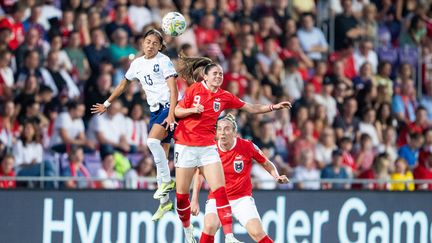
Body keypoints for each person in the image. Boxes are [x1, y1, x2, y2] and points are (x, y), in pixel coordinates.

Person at [173, 56, 291, 243]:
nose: (219, 76)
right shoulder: (193, 90)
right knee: (186, 203)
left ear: (235, 131)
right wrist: (192, 110)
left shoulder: (225, 99)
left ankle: (229, 237)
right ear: (205, 76)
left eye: (221, 73)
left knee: (255, 232)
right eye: (215, 73)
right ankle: (188, 231)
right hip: (186, 145)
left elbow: (250, 107)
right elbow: (177, 112)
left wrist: (272, 107)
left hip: (239, 195)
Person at [91, 29, 178, 221]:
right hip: (154, 110)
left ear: (160, 46)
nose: (150, 45)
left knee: (152, 142)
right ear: (142, 43)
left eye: (155, 43)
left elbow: (174, 89)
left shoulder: (163, 61)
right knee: (160, 156)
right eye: (148, 42)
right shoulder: (137, 64)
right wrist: (107, 103)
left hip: (168, 107)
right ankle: (165, 203)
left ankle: (168, 182)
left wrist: (171, 114)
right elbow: (123, 84)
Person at [190, 114, 289, 243]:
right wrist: (194, 199)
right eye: (219, 129)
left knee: (257, 232)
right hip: (217, 197)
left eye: (226, 129)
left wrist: (276, 176)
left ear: (234, 132)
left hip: (242, 199)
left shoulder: (247, 146)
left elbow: (266, 162)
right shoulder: (211, 149)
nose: (222, 133)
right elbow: (199, 173)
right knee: (209, 226)